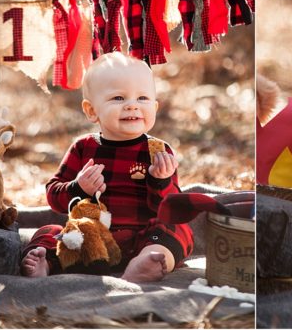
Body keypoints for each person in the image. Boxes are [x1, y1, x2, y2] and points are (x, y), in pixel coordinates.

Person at [21, 52, 193, 283]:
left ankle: (147, 263)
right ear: (92, 111)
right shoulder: (83, 148)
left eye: (142, 98)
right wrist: (78, 187)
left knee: (177, 228)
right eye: (119, 98)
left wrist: (160, 180)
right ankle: (46, 261)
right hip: (92, 240)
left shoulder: (159, 151)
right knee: (49, 231)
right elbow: (54, 195)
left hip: (142, 238)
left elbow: (170, 207)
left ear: (155, 105)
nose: (132, 106)